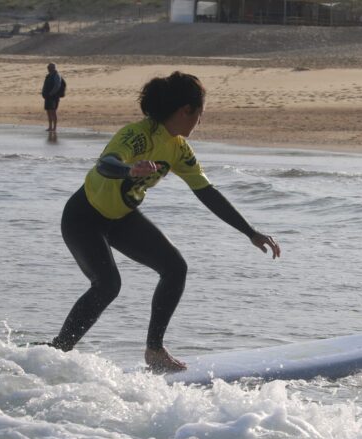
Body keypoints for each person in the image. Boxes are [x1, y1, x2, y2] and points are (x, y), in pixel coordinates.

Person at [47, 71, 281, 373]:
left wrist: (249, 232)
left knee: (174, 268)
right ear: (186, 110)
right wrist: (130, 170)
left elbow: (206, 192)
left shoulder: (179, 148)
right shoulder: (137, 134)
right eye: (200, 115)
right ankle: (58, 351)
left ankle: (154, 351)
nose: (200, 122)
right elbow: (106, 165)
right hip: (83, 216)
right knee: (107, 285)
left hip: (121, 217)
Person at [41, 63, 66, 132]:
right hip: (47, 96)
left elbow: (57, 86)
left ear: (53, 68)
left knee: (53, 112)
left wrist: (51, 93)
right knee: (48, 112)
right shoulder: (48, 76)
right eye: (48, 68)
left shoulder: (57, 76)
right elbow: (44, 85)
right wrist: (43, 93)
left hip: (54, 97)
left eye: (49, 67)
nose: (48, 69)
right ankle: (50, 127)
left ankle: (54, 128)